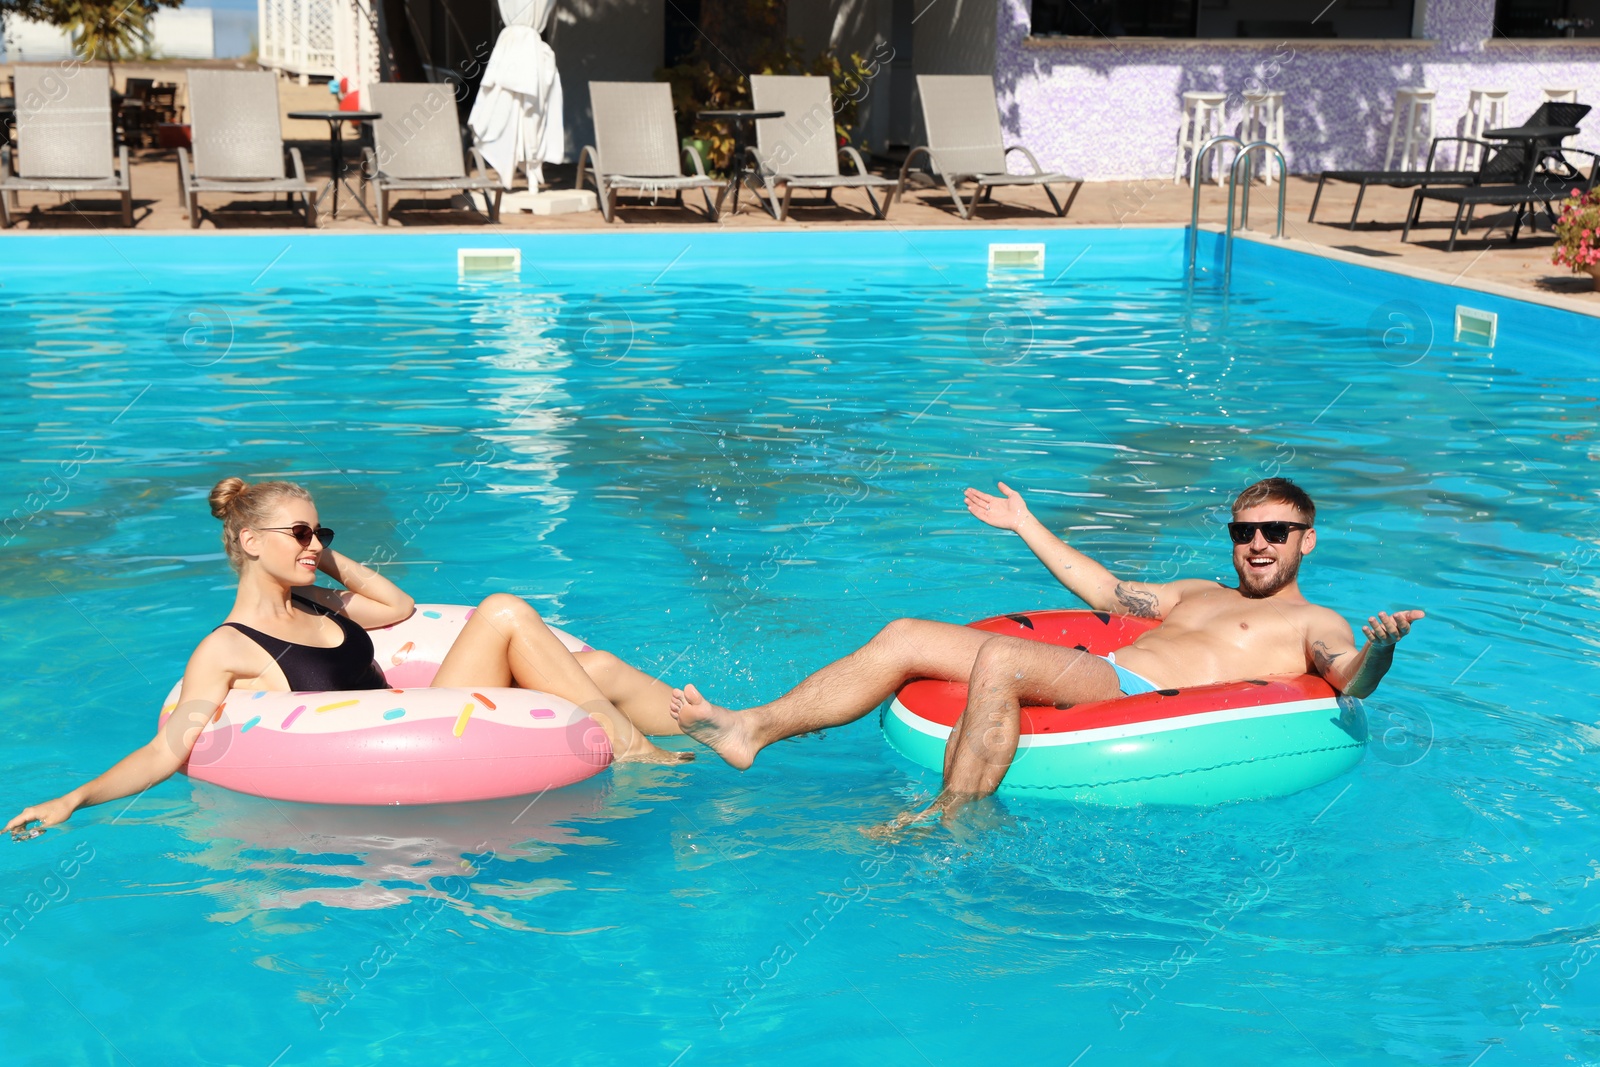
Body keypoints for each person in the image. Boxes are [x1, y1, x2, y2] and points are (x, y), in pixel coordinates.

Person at [671, 477, 1423, 824]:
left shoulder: (1314, 619)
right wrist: (1025, 523)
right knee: (903, 634)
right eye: (1244, 531)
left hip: (1128, 694)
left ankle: (948, 816)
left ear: (1305, 540)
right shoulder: (1197, 590)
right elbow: (1104, 591)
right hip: (1107, 671)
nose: (1257, 544)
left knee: (1000, 657)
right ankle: (751, 728)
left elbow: (1349, 677)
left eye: (1275, 532)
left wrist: (1380, 650)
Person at [6, 477, 688, 837]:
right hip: (407, 738)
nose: (314, 543)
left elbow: (395, 605)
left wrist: (317, 554)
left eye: (321, 530)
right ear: (248, 541)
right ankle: (638, 756)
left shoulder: (320, 605)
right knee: (505, 609)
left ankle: (721, 724)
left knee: (590, 669)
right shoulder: (226, 647)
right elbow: (167, 748)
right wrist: (75, 797)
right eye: (298, 531)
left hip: (429, 708)